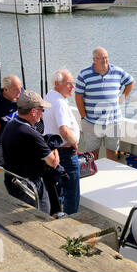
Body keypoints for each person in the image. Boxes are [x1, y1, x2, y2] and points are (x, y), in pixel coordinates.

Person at [1, 91, 59, 214]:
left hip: (12, 181)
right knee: (41, 216)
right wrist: (54, 146)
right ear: (33, 112)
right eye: (41, 110)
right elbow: (53, 162)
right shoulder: (32, 134)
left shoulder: (9, 126)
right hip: (30, 185)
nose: (42, 114)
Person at [75, 47, 135, 161]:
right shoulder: (84, 74)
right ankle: (93, 176)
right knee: (92, 154)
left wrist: (123, 96)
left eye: (106, 58)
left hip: (113, 121)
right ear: (94, 59)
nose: (104, 61)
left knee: (113, 152)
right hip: (91, 121)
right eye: (101, 58)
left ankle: (111, 176)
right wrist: (83, 116)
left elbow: (131, 82)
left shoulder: (117, 71)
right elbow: (78, 96)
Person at [43, 69, 81, 215]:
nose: (72, 86)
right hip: (65, 152)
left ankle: (57, 216)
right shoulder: (59, 103)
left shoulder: (49, 97)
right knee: (72, 192)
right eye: (69, 83)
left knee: (57, 190)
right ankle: (70, 223)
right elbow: (63, 130)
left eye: (73, 83)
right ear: (58, 84)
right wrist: (74, 142)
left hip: (54, 151)